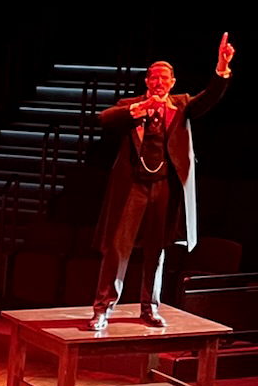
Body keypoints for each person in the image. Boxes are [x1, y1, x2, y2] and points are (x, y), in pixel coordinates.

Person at [89, 32, 235, 333]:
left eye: (164, 78)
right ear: (146, 82)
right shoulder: (131, 106)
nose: (158, 83)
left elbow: (209, 97)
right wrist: (139, 110)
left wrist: (221, 67)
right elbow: (104, 119)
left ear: (172, 82)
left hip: (164, 186)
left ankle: (150, 308)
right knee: (118, 247)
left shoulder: (181, 105)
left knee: (157, 250)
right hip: (132, 186)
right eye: (153, 78)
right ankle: (102, 309)